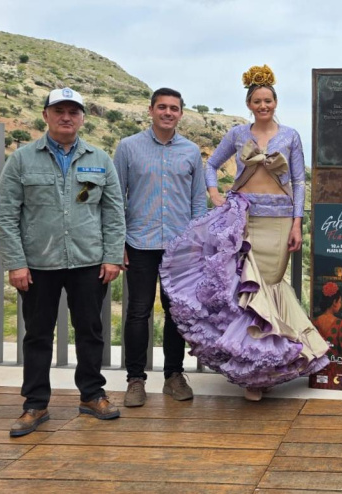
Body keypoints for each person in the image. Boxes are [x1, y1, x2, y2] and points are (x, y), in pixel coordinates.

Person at [160, 65, 329, 401]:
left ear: (275, 102)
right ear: (250, 104)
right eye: (257, 101)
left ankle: (272, 363)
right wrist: (215, 194)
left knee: (270, 289)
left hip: (279, 223)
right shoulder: (238, 134)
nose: (263, 105)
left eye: (268, 100)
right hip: (243, 220)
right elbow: (210, 165)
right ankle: (254, 375)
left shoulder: (291, 136)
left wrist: (297, 223)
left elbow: (298, 182)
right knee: (247, 296)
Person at [0, 87, 125, 436]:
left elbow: (114, 212)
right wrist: (16, 263)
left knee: (91, 331)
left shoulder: (100, 158)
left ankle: (92, 395)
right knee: (37, 335)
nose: (66, 117)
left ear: (82, 117)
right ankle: (35, 404)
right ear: (46, 115)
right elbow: (6, 215)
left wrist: (113, 256)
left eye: (73, 111)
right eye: (59, 111)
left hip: (88, 262)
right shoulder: (21, 160)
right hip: (38, 264)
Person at [114, 87, 206, 407]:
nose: (168, 113)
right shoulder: (128, 148)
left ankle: (173, 376)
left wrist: (197, 244)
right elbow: (115, 199)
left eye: (174, 108)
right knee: (138, 312)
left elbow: (198, 202)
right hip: (139, 242)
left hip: (180, 247)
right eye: (162, 107)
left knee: (176, 314)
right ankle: (135, 380)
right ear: (151, 110)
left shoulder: (191, 151)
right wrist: (117, 242)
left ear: (181, 113)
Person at [310, 282, 342, 390]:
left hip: (317, 369)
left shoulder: (314, 322)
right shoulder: (340, 324)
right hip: (335, 371)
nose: (341, 304)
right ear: (334, 302)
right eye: (340, 302)